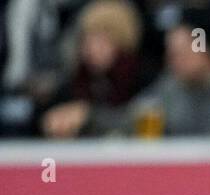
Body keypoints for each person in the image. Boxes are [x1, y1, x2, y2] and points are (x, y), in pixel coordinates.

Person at [40, 0, 147, 138]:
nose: (92, 49)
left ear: (121, 44)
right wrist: (52, 118)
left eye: (102, 41)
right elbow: (50, 111)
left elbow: (137, 117)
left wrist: (89, 115)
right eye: (88, 41)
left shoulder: (140, 78)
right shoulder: (77, 77)